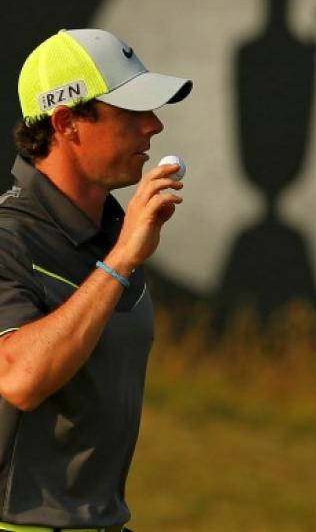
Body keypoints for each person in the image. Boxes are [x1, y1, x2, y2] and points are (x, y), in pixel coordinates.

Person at [0, 28, 193, 531]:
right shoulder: (8, 240)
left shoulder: (115, 236)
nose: (153, 126)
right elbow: (20, 380)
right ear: (67, 122)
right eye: (131, 112)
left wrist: (120, 251)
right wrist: (120, 261)